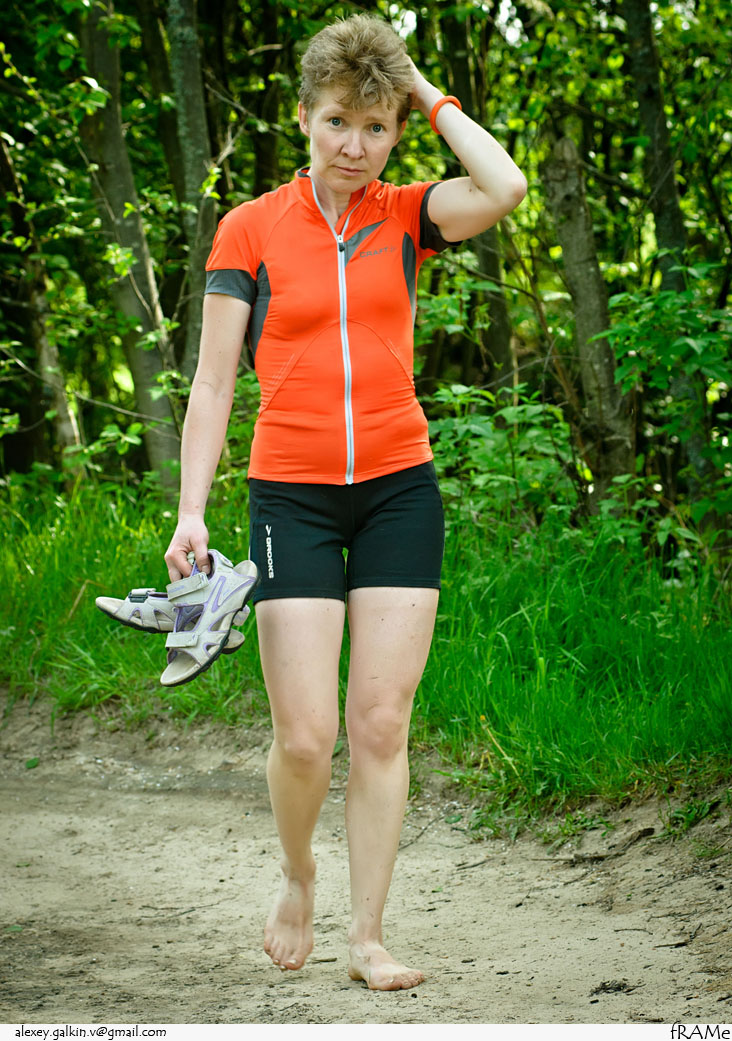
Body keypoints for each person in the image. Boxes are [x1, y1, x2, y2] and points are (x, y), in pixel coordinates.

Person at [164, 13, 526, 991]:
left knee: (379, 724)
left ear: (396, 129)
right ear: (303, 118)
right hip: (291, 497)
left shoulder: (407, 215)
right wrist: (192, 511)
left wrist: (425, 93)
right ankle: (298, 875)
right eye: (336, 122)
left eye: (374, 126)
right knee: (305, 737)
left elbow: (505, 186)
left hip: (401, 489)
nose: (354, 146)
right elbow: (212, 383)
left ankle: (368, 937)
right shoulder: (250, 228)